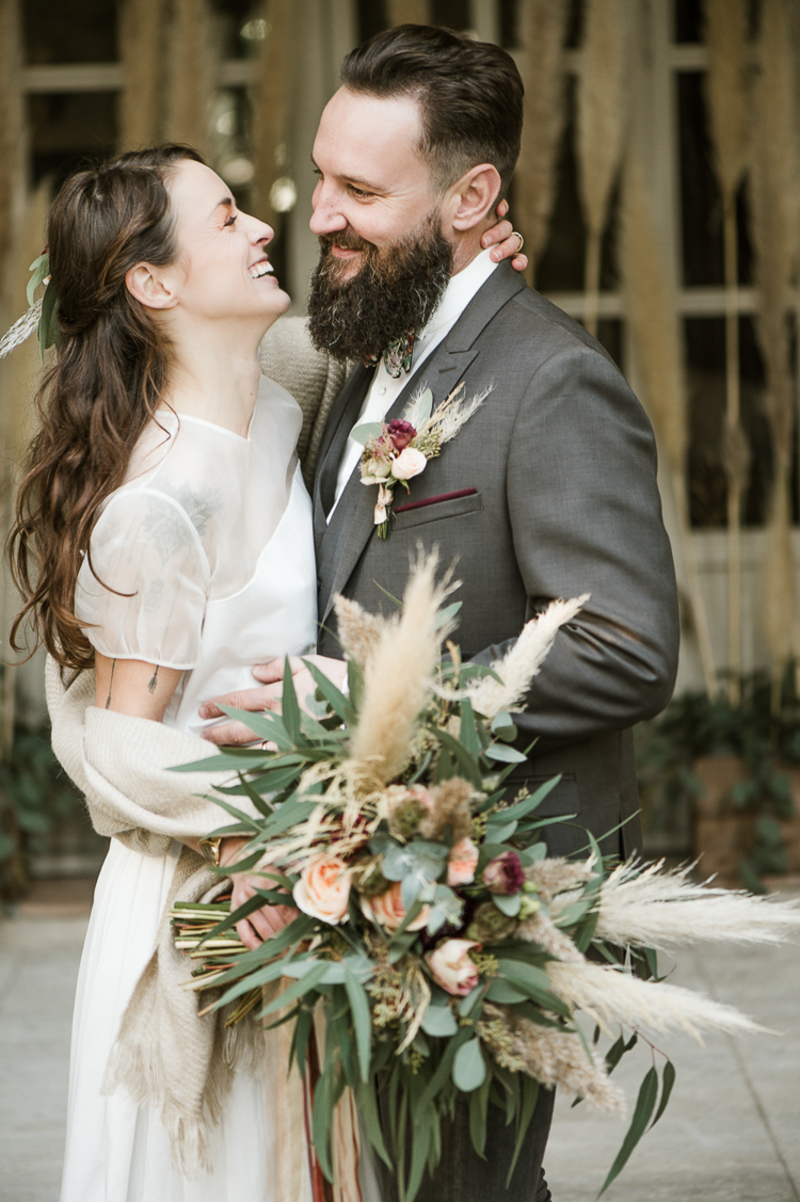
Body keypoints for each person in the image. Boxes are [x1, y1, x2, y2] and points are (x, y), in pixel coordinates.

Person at [200, 24, 681, 1202]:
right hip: (350, 895)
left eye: (361, 190)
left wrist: (363, 695)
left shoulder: (550, 379)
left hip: (482, 906)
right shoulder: (362, 350)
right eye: (319, 176)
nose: (319, 213)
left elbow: (624, 648)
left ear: (473, 197)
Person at [6, 141, 525, 1202]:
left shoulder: (279, 395)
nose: (260, 228)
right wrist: (284, 823)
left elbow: (375, 338)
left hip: (291, 886)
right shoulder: (161, 504)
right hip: (203, 898)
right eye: (228, 215)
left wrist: (466, 262)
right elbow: (114, 739)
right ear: (152, 282)